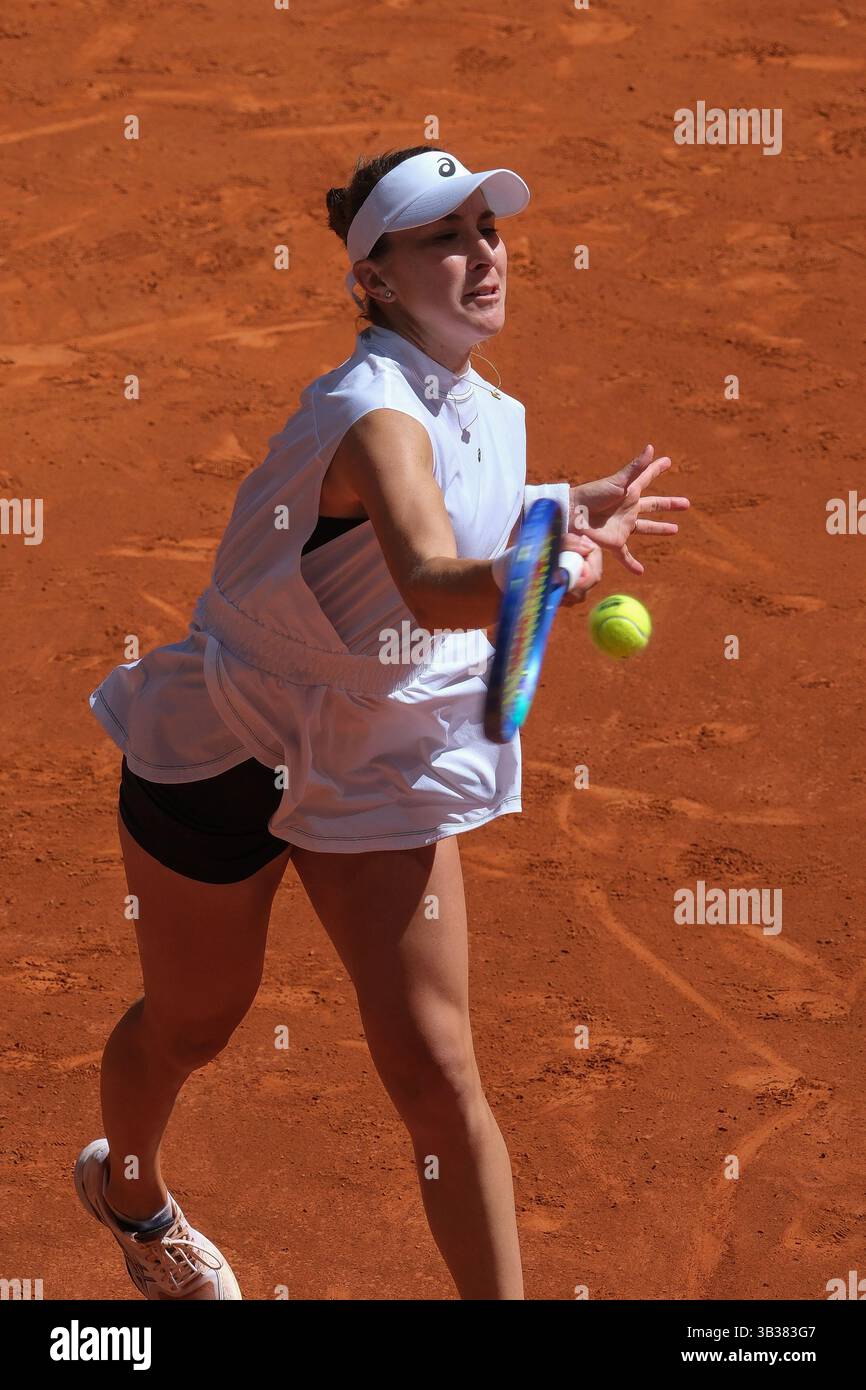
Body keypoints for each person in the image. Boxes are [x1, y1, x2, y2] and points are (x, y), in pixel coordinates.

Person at [74, 145, 688, 1300]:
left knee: (437, 1063)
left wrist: (561, 505)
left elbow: (464, 502)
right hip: (229, 743)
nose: (481, 256)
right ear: (374, 282)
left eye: (487, 231)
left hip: (370, 754)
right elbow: (428, 579)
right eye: (442, 239)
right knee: (195, 1024)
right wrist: (539, 571)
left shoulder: (482, 406)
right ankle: (131, 1194)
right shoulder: (366, 415)